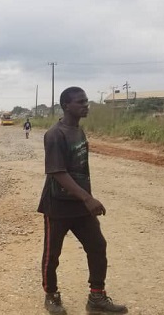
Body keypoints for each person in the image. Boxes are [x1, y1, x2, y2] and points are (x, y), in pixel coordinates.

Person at [38, 87, 127, 315]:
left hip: (79, 205)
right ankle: (52, 296)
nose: (86, 105)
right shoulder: (55, 134)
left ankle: (96, 297)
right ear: (66, 105)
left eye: (86, 101)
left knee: (97, 246)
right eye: (81, 102)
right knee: (52, 254)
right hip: (57, 205)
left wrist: (84, 198)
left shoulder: (78, 130)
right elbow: (57, 172)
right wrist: (88, 198)